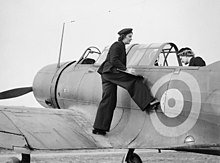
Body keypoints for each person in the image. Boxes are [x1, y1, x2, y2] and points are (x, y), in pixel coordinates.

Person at [92, 28, 160, 136]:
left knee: (109, 100)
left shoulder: (120, 46)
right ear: (123, 36)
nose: (131, 39)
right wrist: (126, 70)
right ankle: (148, 102)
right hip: (110, 72)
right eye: (129, 36)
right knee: (134, 81)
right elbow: (114, 60)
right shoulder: (117, 45)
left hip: (107, 74)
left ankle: (99, 128)